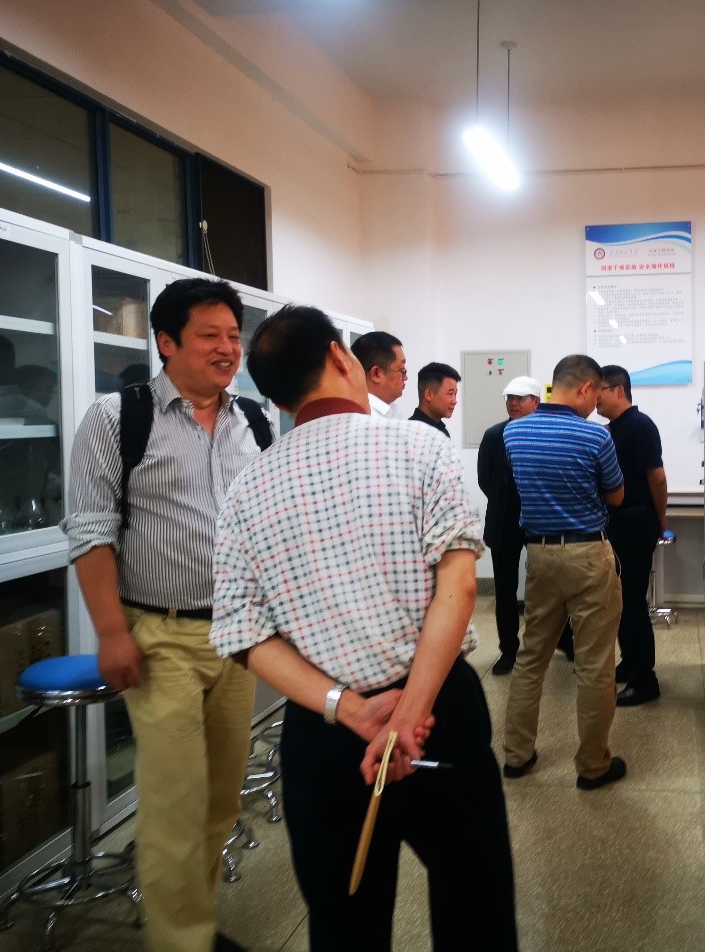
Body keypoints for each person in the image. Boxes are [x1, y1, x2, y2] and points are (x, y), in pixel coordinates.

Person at [209, 305, 517, 951]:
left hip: (326, 734)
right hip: (438, 716)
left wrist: (352, 710)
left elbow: (243, 635)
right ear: (339, 356)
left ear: (275, 398)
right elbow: (459, 588)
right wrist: (410, 713)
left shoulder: (245, 490)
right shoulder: (420, 447)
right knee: (474, 906)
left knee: (345, 923)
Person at [63, 277, 263, 952]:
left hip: (238, 635)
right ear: (167, 342)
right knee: (176, 802)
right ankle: (181, 942)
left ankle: (192, 926)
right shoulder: (117, 419)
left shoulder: (251, 420)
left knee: (221, 799)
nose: (227, 348)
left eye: (233, 335)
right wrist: (111, 633)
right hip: (160, 634)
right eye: (210, 335)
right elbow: (90, 531)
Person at [502, 354, 627, 790]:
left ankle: (516, 755)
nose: (596, 404)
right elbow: (616, 496)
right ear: (586, 387)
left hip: (538, 554)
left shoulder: (514, 432)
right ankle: (592, 765)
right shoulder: (596, 436)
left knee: (531, 655)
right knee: (594, 664)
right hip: (587, 554)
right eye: (596, 394)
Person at [595, 364, 668, 706]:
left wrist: (660, 517)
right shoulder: (612, 429)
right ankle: (630, 662)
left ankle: (646, 679)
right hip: (617, 525)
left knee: (634, 603)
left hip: (636, 523)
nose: (595, 397)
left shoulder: (640, 425)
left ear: (618, 390)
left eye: (600, 390)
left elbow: (658, 478)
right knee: (621, 602)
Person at [477, 375, 542, 675]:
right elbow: (485, 479)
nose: (513, 404)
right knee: (505, 590)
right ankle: (508, 650)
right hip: (504, 521)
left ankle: (562, 640)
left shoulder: (544, 433)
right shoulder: (494, 435)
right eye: (509, 399)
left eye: (520, 398)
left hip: (541, 520)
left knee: (551, 588)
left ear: (536, 402)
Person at [351, 330, 407, 420]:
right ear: (376, 374)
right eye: (402, 371)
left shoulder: (390, 411)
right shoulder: (367, 419)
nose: (406, 378)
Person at [409, 362, 460, 435]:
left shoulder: (441, 431)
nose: (454, 401)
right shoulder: (412, 432)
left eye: (455, 394)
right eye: (450, 393)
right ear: (429, 394)